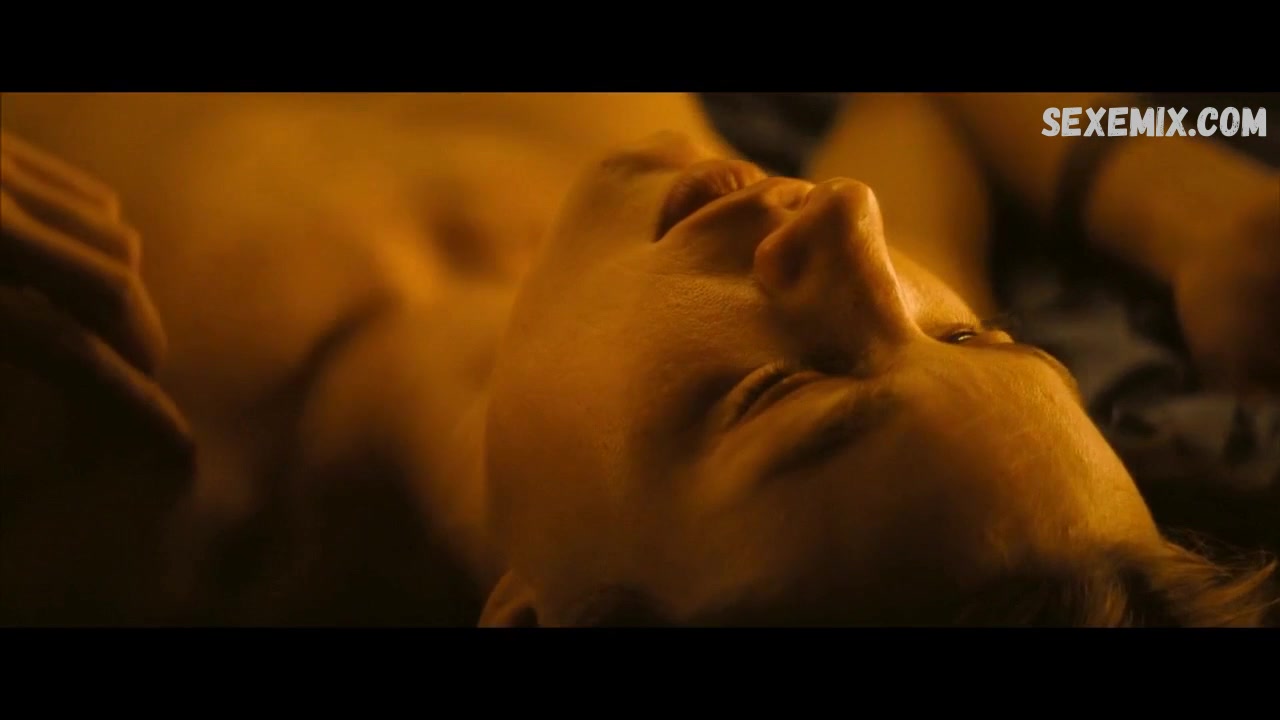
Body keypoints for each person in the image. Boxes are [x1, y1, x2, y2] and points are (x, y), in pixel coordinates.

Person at [1, 93, 1276, 626]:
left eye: (776, 395)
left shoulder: (86, 422)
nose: (848, 222)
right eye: (973, 338)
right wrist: (1184, 202)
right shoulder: (885, 315)